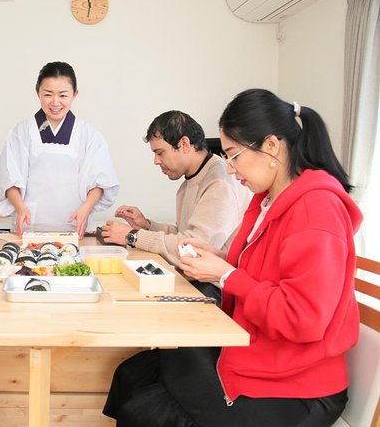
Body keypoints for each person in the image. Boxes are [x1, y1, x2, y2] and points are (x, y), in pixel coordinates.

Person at [103, 89, 363, 427]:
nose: (229, 168)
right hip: (262, 349)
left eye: (234, 155)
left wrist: (226, 274)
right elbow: (264, 270)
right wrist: (222, 258)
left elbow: (304, 318)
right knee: (136, 373)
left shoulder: (316, 209)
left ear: (271, 146)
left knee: (146, 405)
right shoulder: (267, 202)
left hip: (300, 383)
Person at [101, 110, 250, 299]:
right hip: (196, 278)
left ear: (184, 144)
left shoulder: (218, 183)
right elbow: (185, 235)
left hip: (214, 289)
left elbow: (194, 249)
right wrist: (147, 225)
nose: (156, 161)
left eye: (160, 152)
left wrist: (133, 237)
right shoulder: (190, 181)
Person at [0, 61, 119, 238]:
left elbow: (100, 181)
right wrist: (20, 208)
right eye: (48, 94)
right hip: (29, 227)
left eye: (63, 95)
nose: (55, 102)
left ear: (75, 94)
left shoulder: (89, 134)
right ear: (38, 93)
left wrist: (86, 209)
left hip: (76, 227)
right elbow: (8, 178)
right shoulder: (22, 132)